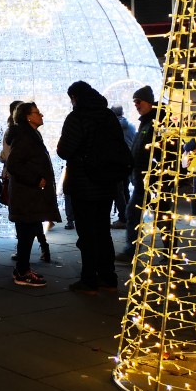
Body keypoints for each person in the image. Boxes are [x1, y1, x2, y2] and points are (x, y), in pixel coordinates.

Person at [57, 81, 131, 294]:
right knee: (102, 231)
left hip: (83, 183)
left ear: (76, 97)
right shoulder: (108, 116)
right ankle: (108, 278)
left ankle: (89, 280)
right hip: (106, 183)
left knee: (87, 234)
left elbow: (65, 150)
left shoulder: (77, 117)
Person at [6, 102, 61, 286]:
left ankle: (23, 269)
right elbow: (13, 164)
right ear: (28, 116)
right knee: (26, 234)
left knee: (27, 233)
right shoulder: (25, 136)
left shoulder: (30, 135)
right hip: (26, 195)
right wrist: (36, 179)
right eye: (37, 113)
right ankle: (22, 273)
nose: (41, 115)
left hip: (28, 194)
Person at [116, 85, 158, 263]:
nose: (136, 105)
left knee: (137, 213)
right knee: (138, 213)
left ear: (148, 101)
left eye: (138, 101)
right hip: (142, 178)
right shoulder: (145, 121)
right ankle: (132, 248)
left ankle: (131, 249)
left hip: (154, 178)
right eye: (134, 102)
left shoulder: (156, 121)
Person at [110, 104, 137, 229]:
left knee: (118, 191)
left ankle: (122, 218)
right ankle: (128, 216)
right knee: (125, 190)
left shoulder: (112, 127)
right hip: (129, 162)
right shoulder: (131, 126)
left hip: (117, 163)